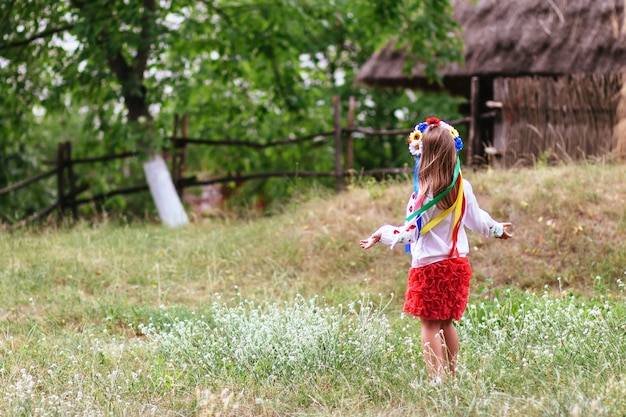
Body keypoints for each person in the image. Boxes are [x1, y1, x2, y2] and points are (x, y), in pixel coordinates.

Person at [359, 117, 512, 384]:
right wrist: (496, 229)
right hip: (457, 265)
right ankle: (451, 376)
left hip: (429, 268)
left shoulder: (424, 193)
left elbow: (409, 233)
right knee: (446, 323)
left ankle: (436, 380)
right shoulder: (462, 187)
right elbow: (477, 219)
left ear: (424, 155)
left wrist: (382, 233)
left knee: (429, 326)